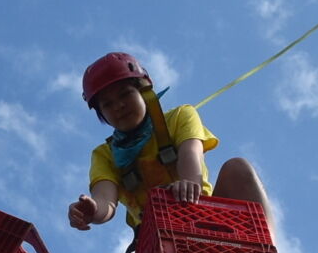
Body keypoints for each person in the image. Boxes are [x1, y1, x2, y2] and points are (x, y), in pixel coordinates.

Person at [67, 51, 268, 235]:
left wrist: (189, 182)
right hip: (161, 239)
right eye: (107, 104)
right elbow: (105, 200)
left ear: (144, 92)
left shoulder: (180, 117)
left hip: (207, 218)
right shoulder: (105, 155)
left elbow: (191, 154)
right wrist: (93, 210)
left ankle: (267, 249)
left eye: (125, 94)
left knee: (238, 169)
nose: (119, 106)